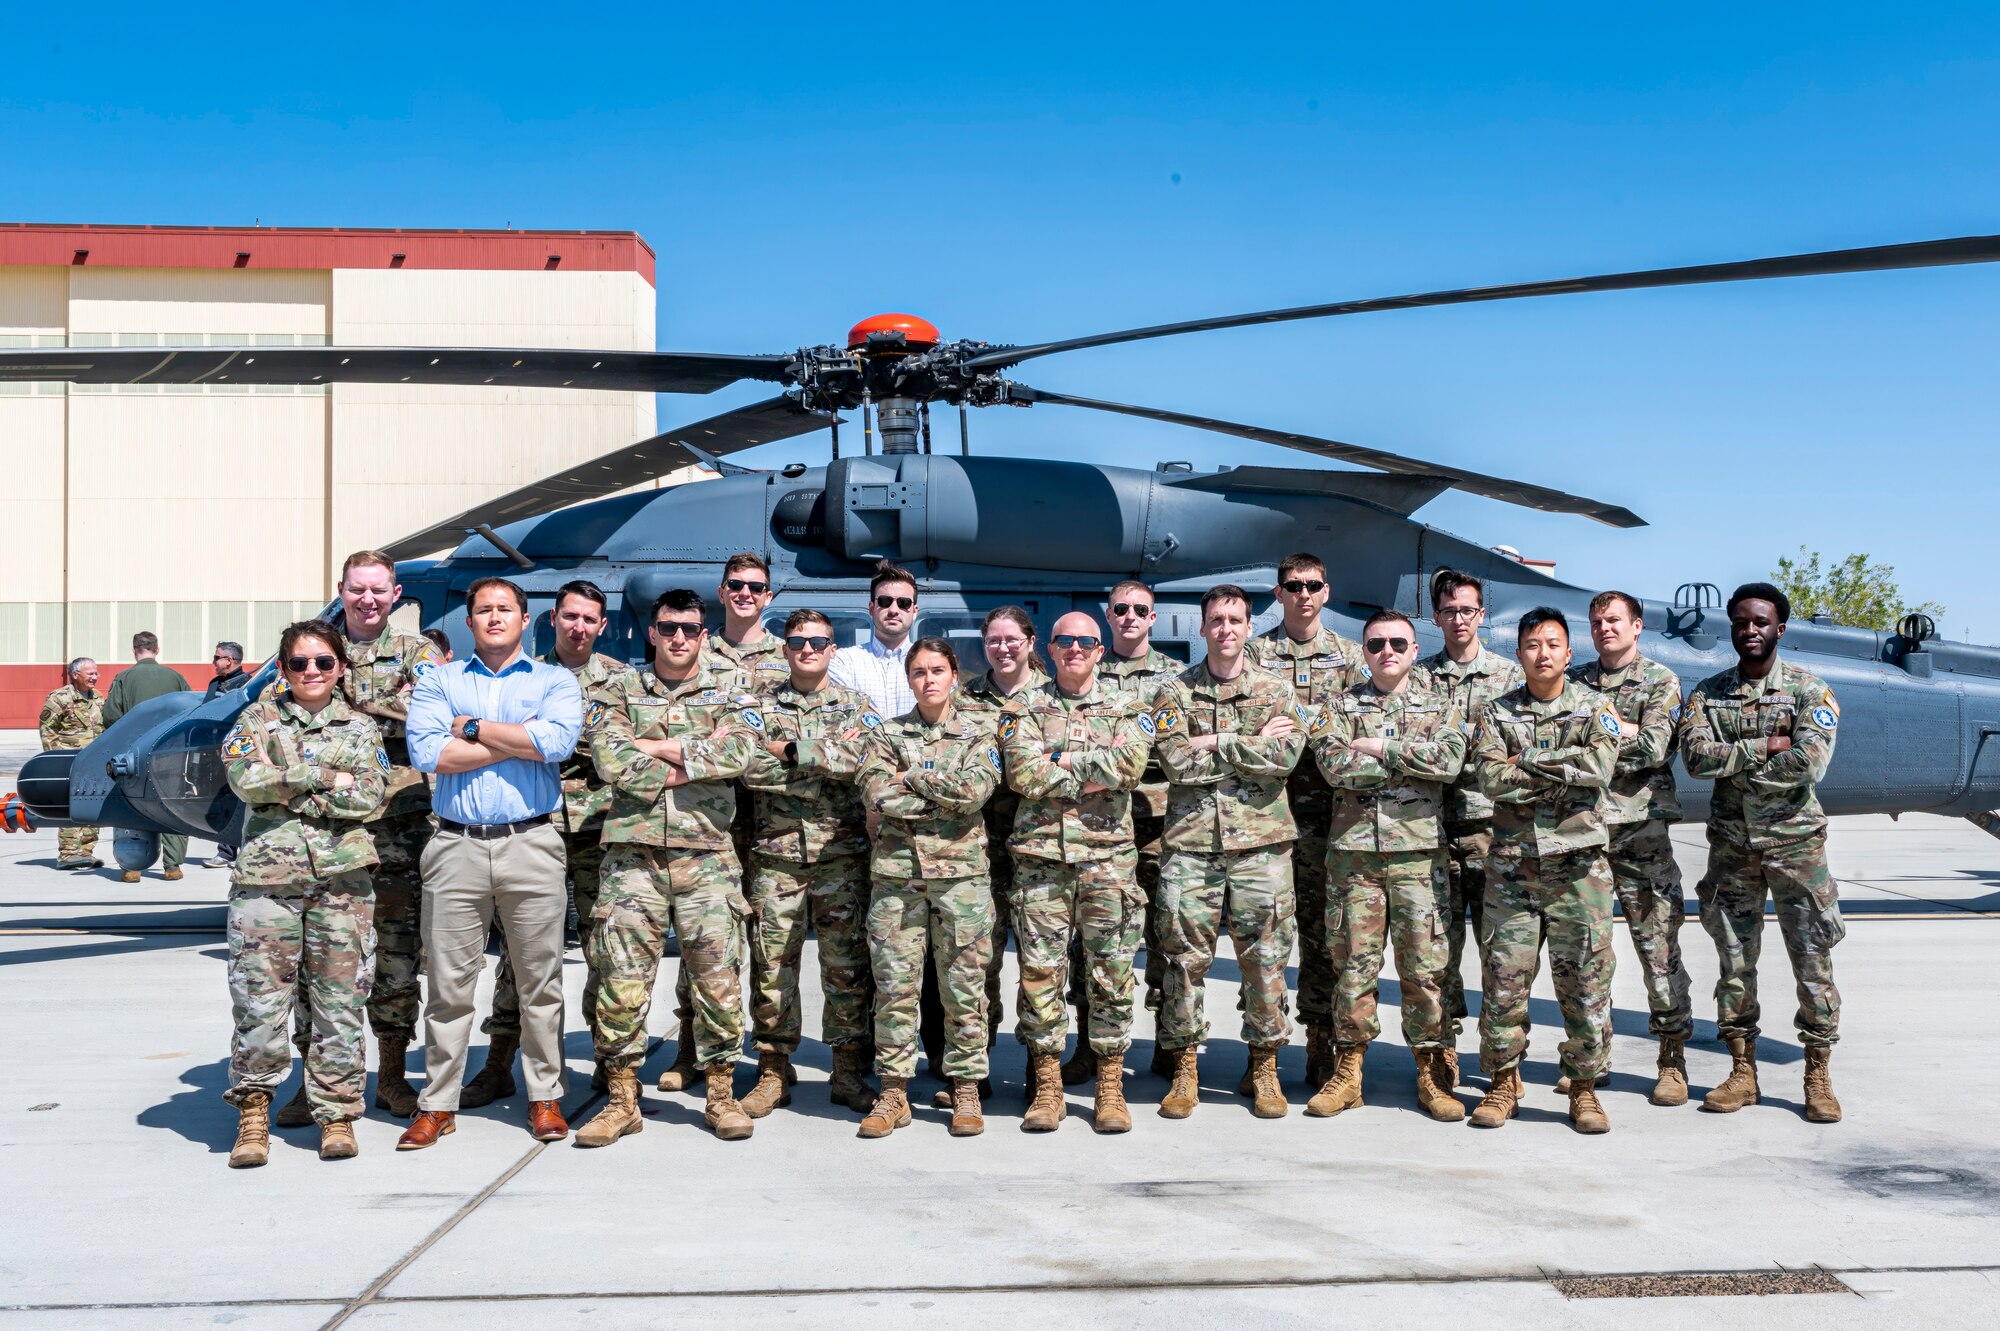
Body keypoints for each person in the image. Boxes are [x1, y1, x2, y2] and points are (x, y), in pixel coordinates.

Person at [397, 577, 582, 1151]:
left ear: (525, 620)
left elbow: (558, 744)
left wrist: (472, 728)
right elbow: (428, 752)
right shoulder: (439, 680)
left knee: (540, 983)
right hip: (456, 845)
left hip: (532, 843)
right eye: (484, 610)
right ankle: (438, 1104)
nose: (495, 617)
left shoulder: (556, 679)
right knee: (450, 985)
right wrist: (518, 739)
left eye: (506, 609)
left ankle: (544, 1096)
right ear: (470, 622)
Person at [572, 590, 762, 1146]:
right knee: (621, 984)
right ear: (651, 632)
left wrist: (651, 746)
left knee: (718, 982)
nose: (679, 637)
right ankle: (622, 1099)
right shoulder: (619, 690)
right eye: (668, 627)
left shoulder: (731, 692)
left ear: (704, 635)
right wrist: (694, 756)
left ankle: (721, 1095)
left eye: (690, 628)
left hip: (707, 859)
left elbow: (741, 755)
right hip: (633, 859)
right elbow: (609, 760)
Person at [219, 620, 388, 1166]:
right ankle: (253, 1114)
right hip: (266, 886)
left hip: (341, 888)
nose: (311, 672)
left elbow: (368, 796)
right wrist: (324, 776)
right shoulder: (255, 719)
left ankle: (336, 1115)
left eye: (322, 662)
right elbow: (245, 779)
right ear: (284, 668)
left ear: (340, 667)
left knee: (340, 1004)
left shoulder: (361, 728)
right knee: (260, 1005)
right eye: (298, 663)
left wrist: (288, 780)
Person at [462, 581, 636, 1108]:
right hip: (534, 827)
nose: (578, 627)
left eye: (589, 619)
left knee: (605, 951)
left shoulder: (623, 681)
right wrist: (527, 735)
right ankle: (499, 1063)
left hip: (597, 834)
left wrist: (540, 736)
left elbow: (610, 748)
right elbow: (503, 737)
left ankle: (611, 1066)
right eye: (569, 617)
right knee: (519, 957)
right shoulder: (523, 675)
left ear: (601, 626)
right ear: (552, 620)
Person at [285, 551, 443, 1127]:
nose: (369, 600)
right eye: (358, 590)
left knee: (399, 957)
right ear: (341, 590)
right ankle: (314, 1082)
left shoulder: (417, 653)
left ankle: (393, 1078)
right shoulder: (315, 648)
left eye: (379, 590)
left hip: (401, 831)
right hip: (326, 834)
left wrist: (348, 703)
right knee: (318, 964)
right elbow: (282, 719)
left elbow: (430, 713)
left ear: (395, 594)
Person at [1678, 582, 1844, 1123]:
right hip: (1733, 850)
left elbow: (1810, 763)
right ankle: (1742, 1070)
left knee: (1812, 960)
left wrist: (1739, 766)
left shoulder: (1808, 691)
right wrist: (1763, 746)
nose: (1751, 630)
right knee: (1733, 961)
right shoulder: (1708, 693)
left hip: (1796, 848)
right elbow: (1696, 760)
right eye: (1742, 621)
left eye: (1761, 621)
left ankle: (1816, 1072)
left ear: (1780, 629)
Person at [1150, 585, 1309, 1120]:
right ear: (1202, 629)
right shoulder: (1173, 692)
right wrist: (1247, 740)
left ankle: (1264, 1066)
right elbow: (1175, 763)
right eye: (1216, 620)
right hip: (1192, 848)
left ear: (1247, 627)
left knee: (1265, 962)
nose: (1225, 629)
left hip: (1260, 849)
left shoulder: (1277, 688)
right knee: (1183, 963)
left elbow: (1284, 758)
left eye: (1235, 620)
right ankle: (1185, 1067)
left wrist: (1212, 741)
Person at [1305, 611, 1469, 1123]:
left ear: (1416, 649)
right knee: (1353, 967)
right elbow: (1335, 769)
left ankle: (1432, 1074)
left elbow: (1449, 763)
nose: (1387, 651)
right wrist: (1411, 759)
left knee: (1425, 970)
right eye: (1376, 644)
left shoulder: (1442, 705)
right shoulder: (1337, 707)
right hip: (1355, 860)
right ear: (1365, 651)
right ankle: (1348, 1072)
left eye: (1398, 642)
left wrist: (1381, 747)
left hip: (1420, 860)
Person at [1468, 607, 1621, 1134]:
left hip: (1579, 871)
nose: (1543, 653)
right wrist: (1562, 767)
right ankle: (1503, 1083)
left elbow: (1599, 772)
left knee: (1584, 982)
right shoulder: (1495, 711)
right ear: (1519, 654)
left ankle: (1583, 1089)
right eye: (1532, 645)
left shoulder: (1596, 707)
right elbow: (1490, 779)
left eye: (1553, 644)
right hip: (1513, 869)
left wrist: (1525, 762)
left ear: (1568, 652)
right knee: (1504, 982)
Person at [999, 612, 1152, 1133]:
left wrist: (1058, 761)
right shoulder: (1023, 706)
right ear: (1050, 646)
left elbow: (1128, 768)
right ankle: (1048, 1087)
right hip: (1041, 867)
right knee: (1041, 978)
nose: (1076, 649)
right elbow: (1022, 773)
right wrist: (1092, 764)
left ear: (1099, 649)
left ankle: (1111, 1085)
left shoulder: (1127, 706)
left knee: (1111, 976)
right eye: (1065, 641)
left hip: (1108, 865)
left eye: (1086, 641)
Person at [736, 610, 882, 1118]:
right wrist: (823, 760)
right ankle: (773, 1070)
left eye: (818, 641)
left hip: (840, 856)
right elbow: (749, 767)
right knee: (772, 966)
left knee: (846, 968)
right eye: (798, 641)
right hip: (776, 857)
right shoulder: (757, 707)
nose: (807, 649)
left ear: (833, 648)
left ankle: (846, 1071)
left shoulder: (857, 706)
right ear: (785, 647)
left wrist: (793, 753)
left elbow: (864, 762)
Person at [856, 638, 1003, 1138]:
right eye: (918, 672)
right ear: (909, 679)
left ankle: (965, 1089)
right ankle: (893, 1092)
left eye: (937, 670)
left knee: (963, 991)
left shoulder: (979, 732)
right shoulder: (886, 734)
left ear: (954, 674)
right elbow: (877, 791)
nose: (928, 680)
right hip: (897, 881)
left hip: (961, 881)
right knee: (894, 990)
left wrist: (911, 777)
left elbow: (975, 793)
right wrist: (940, 792)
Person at [1244, 553, 1366, 1090]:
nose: (1304, 594)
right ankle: (1262, 1051)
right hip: (1264, 815)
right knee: (1262, 936)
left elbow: (1364, 722)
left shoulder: (1352, 657)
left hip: (1330, 818)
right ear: (1278, 593)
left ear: (1327, 589)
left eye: (1313, 585)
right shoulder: (1253, 654)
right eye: (1294, 586)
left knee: (1322, 935)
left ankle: (1320, 1042)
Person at [1571, 590, 1694, 1105]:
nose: (1605, 628)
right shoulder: (1574, 681)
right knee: (1586, 952)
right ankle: (1591, 1062)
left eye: (1614, 620)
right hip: (1584, 832)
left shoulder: (1660, 681)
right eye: (1597, 621)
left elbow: (1656, 747)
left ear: (1637, 625)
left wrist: (1599, 735)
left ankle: (1672, 1059)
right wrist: (1621, 732)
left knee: (1658, 947)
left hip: (1642, 833)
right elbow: (1559, 745)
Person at [1412, 567, 1524, 1086]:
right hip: (1430, 829)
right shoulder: (1419, 678)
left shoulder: (1509, 679)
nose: (1459, 619)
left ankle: (1505, 1057)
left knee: (1502, 951)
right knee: (1439, 950)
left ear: (1482, 614)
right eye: (1449, 611)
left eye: (1468, 610)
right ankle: (1445, 1048)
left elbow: (1521, 752)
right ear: (1436, 617)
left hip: (1492, 830)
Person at [1079, 579, 1179, 1083]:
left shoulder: (1173, 679)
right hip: (1095, 826)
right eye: (1121, 609)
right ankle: (1085, 1042)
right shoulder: (1087, 668)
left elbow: (1175, 750)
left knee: (1165, 931)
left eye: (1141, 609)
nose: (1131, 617)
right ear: (1108, 614)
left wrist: (1123, 750)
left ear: (1153, 618)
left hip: (1159, 822)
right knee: (1091, 937)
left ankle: (1166, 1039)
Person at [952, 607, 1043, 1091]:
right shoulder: (964, 700)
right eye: (993, 640)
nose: (1003, 648)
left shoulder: (1051, 696)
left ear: (1031, 642)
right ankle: (975, 1067)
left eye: (1012, 639)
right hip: (977, 852)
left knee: (1039, 964)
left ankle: (1038, 1067)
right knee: (978, 962)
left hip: (1040, 850)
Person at [102, 631, 192, 883]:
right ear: (157, 649)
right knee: (173, 806)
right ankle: (172, 866)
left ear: (134, 650)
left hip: (133, 755)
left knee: (132, 806)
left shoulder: (124, 678)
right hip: (170, 754)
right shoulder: (175, 677)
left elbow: (110, 716)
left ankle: (132, 866)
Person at [830, 561, 921, 719]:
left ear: (914, 611)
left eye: (903, 603)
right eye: (885, 602)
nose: (893, 610)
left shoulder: (933, 666)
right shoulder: (843, 661)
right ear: (871, 609)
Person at [39, 658, 104, 871]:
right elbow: (48, 729)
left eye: (96, 673)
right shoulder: (60, 698)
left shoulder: (98, 698)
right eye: (90, 673)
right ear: (75, 675)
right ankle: (68, 854)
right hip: (70, 762)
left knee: (93, 804)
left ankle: (86, 851)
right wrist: (56, 760)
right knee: (72, 807)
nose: (95, 677)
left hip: (94, 763)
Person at [700, 552, 789, 687]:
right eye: (735, 585)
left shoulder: (788, 655)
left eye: (756, 588)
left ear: (768, 597)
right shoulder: (699, 654)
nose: (745, 593)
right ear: (721, 594)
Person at [203, 642, 251, 869]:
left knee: (241, 801)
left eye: (216, 658)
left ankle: (243, 850)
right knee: (222, 802)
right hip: (215, 753)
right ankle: (225, 852)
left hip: (238, 752)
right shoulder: (215, 684)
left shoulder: (246, 685)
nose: (214, 662)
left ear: (229, 660)